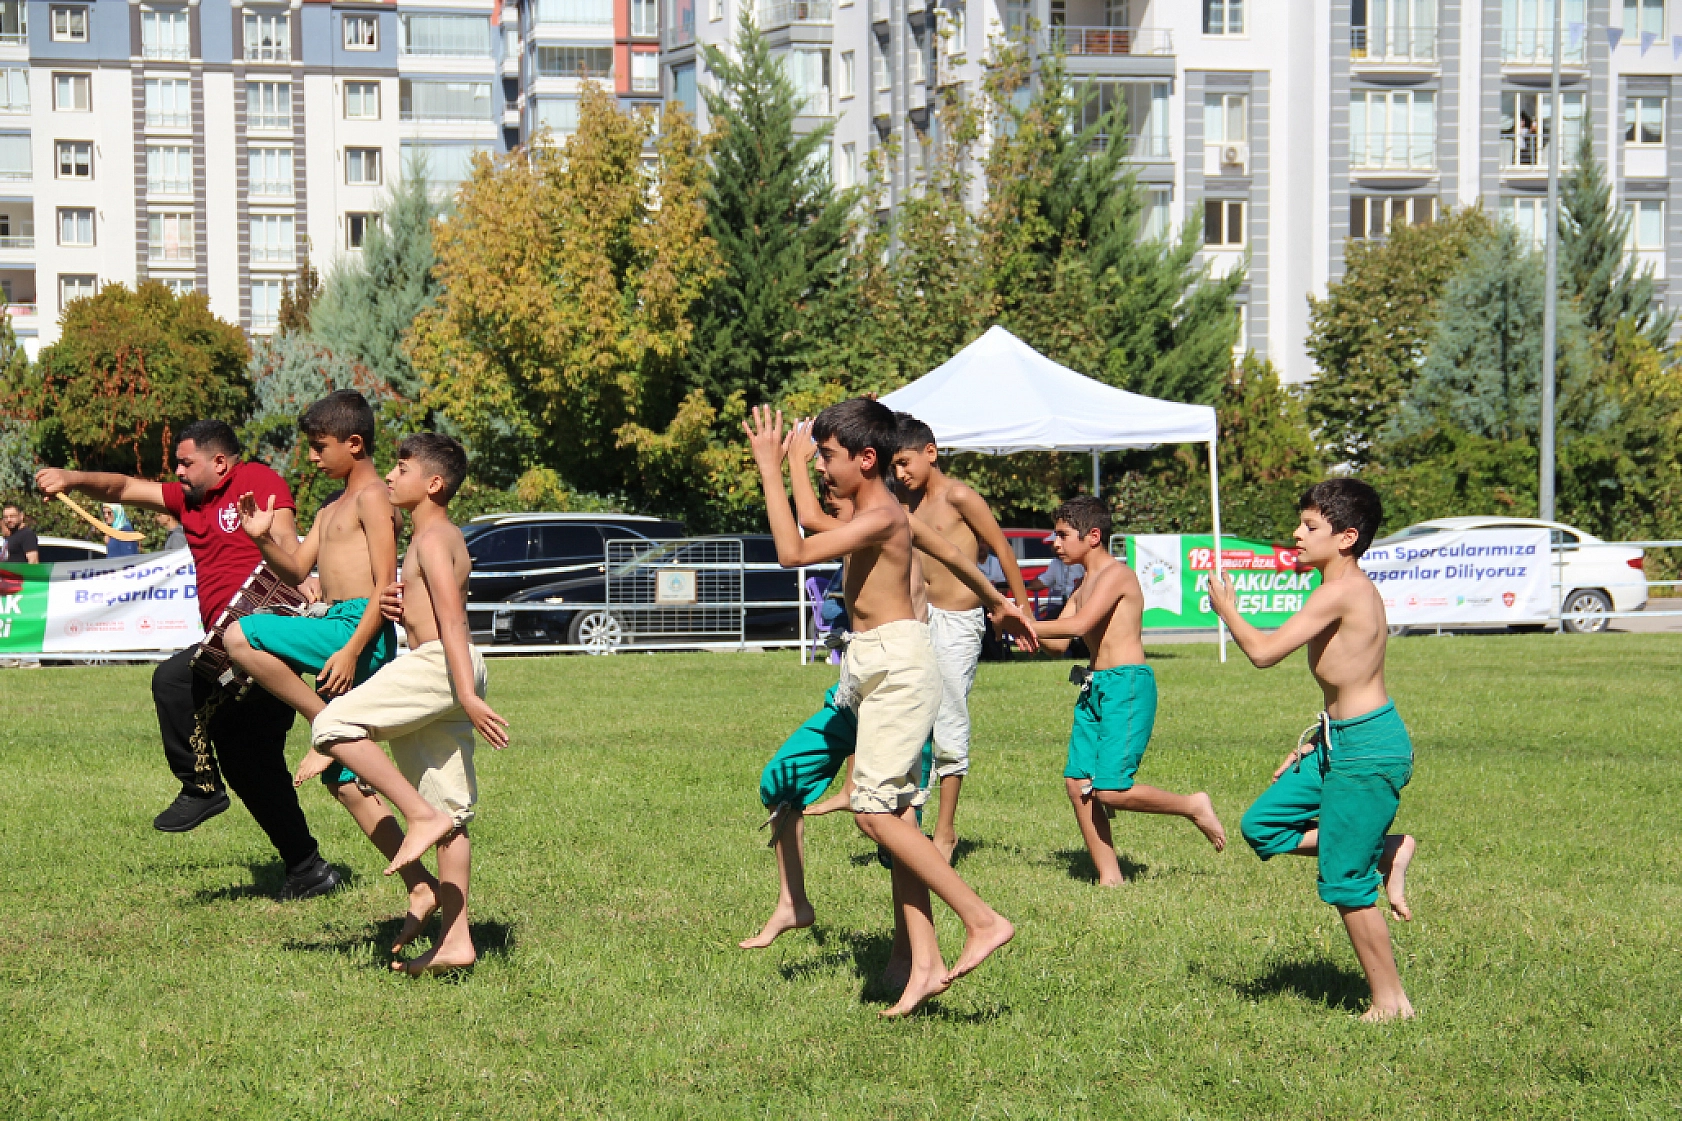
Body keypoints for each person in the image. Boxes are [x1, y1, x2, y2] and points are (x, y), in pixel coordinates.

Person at [745, 400, 1014, 1017]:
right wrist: (794, 461)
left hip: (898, 667)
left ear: (867, 459)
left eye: (831, 458)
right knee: (894, 816)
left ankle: (981, 918)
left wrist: (768, 467)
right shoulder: (868, 508)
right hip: (874, 664)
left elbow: (792, 550)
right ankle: (924, 963)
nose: (823, 469)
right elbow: (812, 516)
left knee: (873, 815)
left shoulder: (881, 515)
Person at [34, 421, 341, 900]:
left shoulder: (256, 480)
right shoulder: (187, 500)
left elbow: (284, 536)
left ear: (220, 462)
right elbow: (122, 486)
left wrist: (299, 580)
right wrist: (70, 478)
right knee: (248, 761)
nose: (176, 471)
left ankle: (200, 787)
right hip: (231, 647)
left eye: (185, 462)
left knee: (174, 680)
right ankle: (308, 869)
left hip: (261, 635)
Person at [224, 390, 440, 952]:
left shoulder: (372, 497)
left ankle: (324, 721)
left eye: (319, 448)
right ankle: (421, 888)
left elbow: (384, 586)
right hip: (339, 626)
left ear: (354, 443)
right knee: (345, 784)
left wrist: (350, 651)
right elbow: (296, 567)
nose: (312, 458)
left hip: (357, 629)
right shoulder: (326, 510)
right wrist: (263, 538)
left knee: (240, 636)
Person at [1207, 479, 1418, 1023]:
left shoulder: (1341, 591)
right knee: (1263, 827)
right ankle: (1384, 849)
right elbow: (1345, 677)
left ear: (1346, 537)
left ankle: (1391, 1003)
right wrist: (1313, 740)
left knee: (1345, 880)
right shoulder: (1337, 588)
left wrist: (1225, 608)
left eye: (1309, 527)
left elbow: (1262, 653)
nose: (1296, 535)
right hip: (1337, 740)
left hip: (1368, 748)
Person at [299, 434, 509, 976]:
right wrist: (401, 603)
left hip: (440, 665)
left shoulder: (433, 539)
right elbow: (436, 607)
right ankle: (456, 942)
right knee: (452, 814)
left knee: (331, 723)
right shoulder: (436, 537)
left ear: (433, 484)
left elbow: (453, 619)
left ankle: (417, 815)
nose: (390, 476)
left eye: (402, 467)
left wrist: (463, 690)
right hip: (443, 665)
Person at [1030, 496, 1227, 887]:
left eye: (1063, 534)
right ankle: (1110, 878)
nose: (1055, 542)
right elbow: (1058, 643)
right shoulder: (1084, 583)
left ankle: (1192, 805)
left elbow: (1078, 624)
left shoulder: (1117, 575)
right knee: (1077, 783)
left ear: (1093, 536)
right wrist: (1022, 626)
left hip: (1127, 685)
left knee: (1111, 790)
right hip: (1094, 685)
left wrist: (1027, 623)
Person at [890, 415, 1032, 864]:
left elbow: (1003, 549)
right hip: (916, 619)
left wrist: (1020, 608)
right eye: (893, 465)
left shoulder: (959, 496)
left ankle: (945, 832)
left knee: (949, 719)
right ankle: (906, 822)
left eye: (905, 462)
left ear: (931, 452)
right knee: (910, 719)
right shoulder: (904, 501)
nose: (900, 473)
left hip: (958, 623)